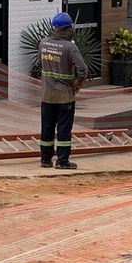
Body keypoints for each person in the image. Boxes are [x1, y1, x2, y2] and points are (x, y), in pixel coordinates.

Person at [38, 12, 88, 170]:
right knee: (64, 130)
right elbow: (82, 69)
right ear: (68, 28)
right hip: (64, 97)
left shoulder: (43, 43)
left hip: (47, 95)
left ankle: (45, 160)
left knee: (47, 128)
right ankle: (62, 161)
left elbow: (41, 63)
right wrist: (78, 82)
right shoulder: (70, 47)